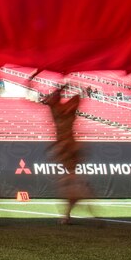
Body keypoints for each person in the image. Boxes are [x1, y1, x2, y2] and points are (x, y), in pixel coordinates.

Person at [40, 86, 89, 224]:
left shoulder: (56, 107)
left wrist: (63, 88)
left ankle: (69, 210)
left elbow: (50, 99)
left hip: (66, 146)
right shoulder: (66, 106)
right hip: (69, 145)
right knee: (68, 180)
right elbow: (78, 96)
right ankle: (71, 207)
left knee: (66, 181)